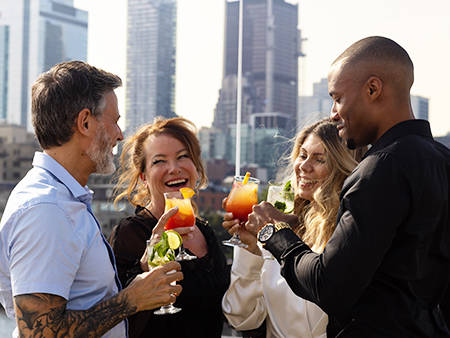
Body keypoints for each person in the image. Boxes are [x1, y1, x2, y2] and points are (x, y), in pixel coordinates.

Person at [245, 36, 450, 337]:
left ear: (372, 89)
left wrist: (275, 235)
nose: (332, 112)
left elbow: (327, 286)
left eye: (338, 98)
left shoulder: (378, 170)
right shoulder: (442, 159)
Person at [0, 61, 183, 337]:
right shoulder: (47, 211)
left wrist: (143, 270)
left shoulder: (63, 201)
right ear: (85, 122)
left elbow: (85, 297)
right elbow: (40, 334)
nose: (120, 135)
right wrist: (129, 301)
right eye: (115, 121)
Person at [222, 119, 362, 337]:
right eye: (303, 155)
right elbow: (241, 317)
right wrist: (250, 250)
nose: (304, 166)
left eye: (320, 159)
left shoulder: (348, 230)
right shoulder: (279, 226)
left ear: (341, 167)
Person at [109, 117, 229, 338]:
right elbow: (117, 320)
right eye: (159, 161)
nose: (174, 169)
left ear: (195, 166)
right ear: (143, 177)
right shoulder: (132, 233)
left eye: (183, 157)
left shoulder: (205, 231)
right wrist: (145, 268)